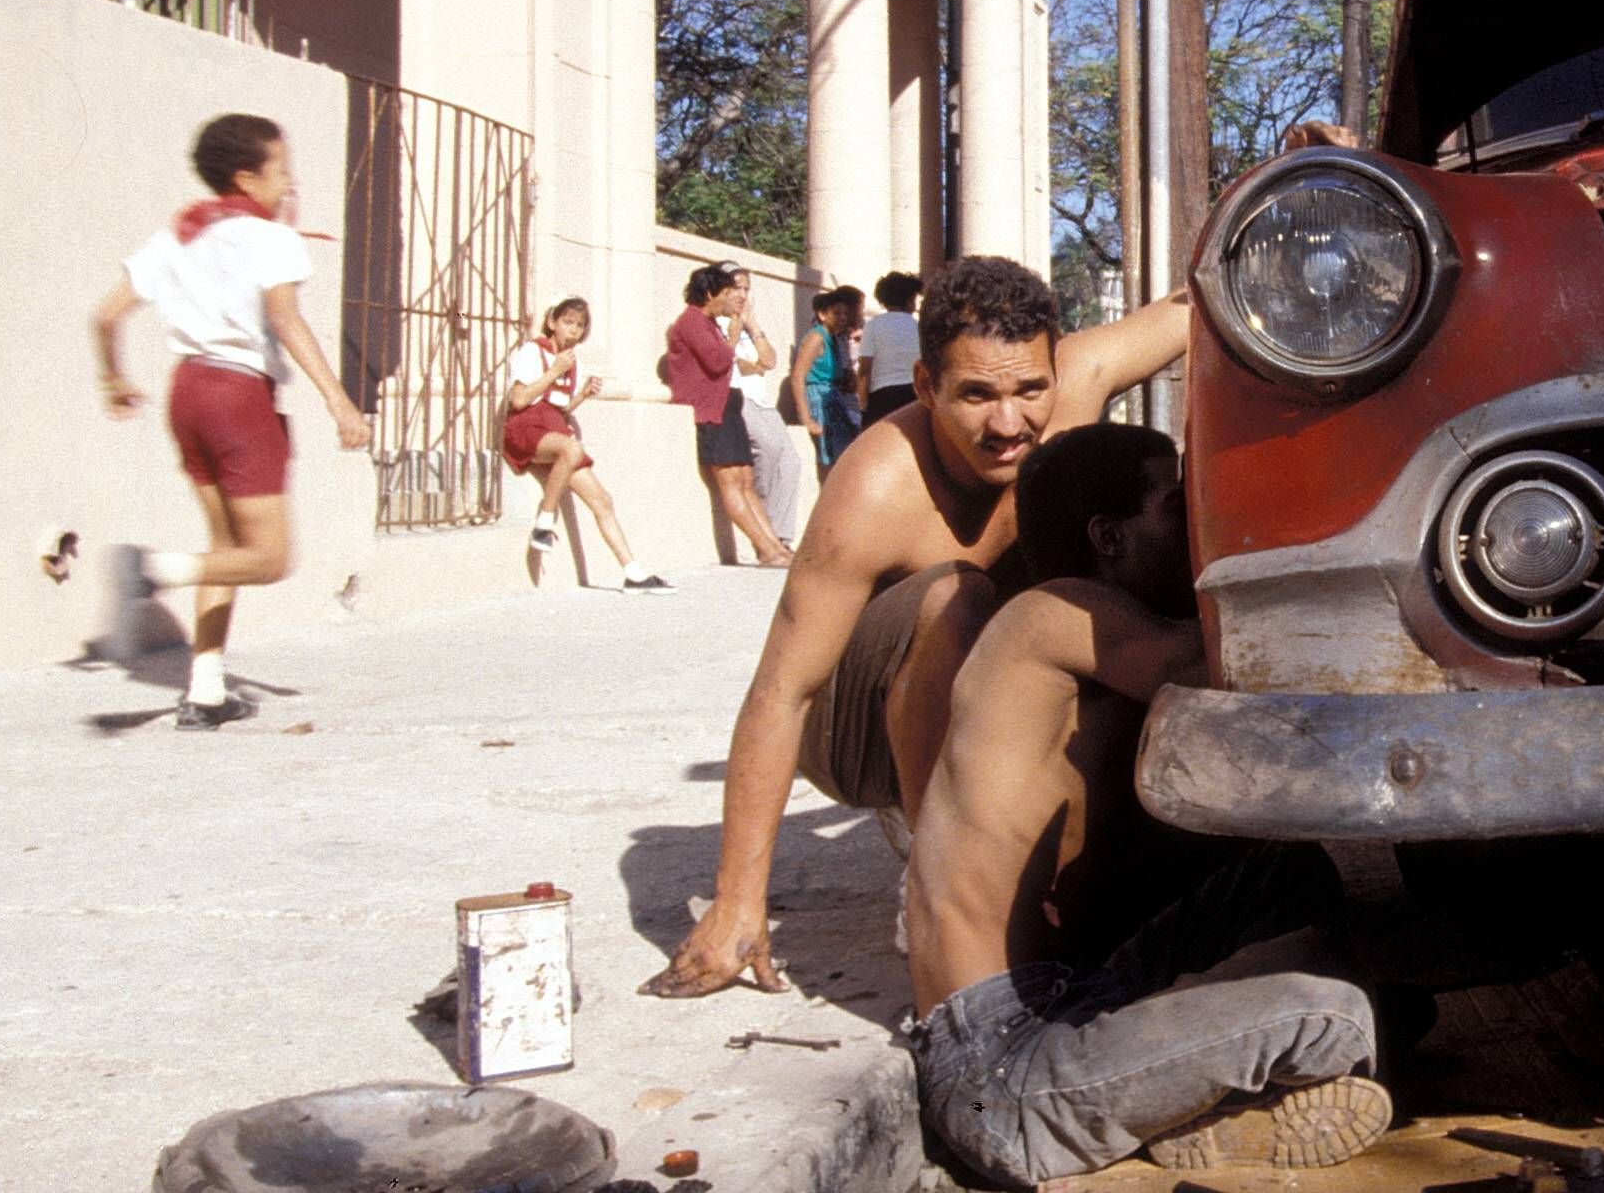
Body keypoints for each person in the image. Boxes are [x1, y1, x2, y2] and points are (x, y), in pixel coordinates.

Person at [644, 253, 1189, 997]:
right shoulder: (873, 489)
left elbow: (1202, 301)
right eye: (974, 396)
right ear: (926, 385)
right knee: (956, 595)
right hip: (859, 724)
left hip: (994, 696)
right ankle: (942, 900)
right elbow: (783, 691)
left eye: (1030, 389)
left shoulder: (1078, 376)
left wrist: (1318, 169)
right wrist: (738, 902)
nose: (1008, 422)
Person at [904, 423, 1389, 1183]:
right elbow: (1214, 660)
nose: (1196, 527)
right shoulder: (1050, 615)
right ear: (1108, 535)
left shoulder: (1102, 664)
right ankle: (1203, 1102)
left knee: (1283, 877)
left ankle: (1192, 1085)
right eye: (1175, 505)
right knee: (1335, 1012)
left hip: (1070, 996)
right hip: (996, 1074)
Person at [93, 112, 374, 727]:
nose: (290, 185)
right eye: (283, 171)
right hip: (239, 398)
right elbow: (286, 320)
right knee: (271, 558)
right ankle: (150, 570)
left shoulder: (183, 231)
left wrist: (114, 379)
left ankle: (206, 689)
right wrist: (339, 401)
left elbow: (107, 315)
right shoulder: (271, 238)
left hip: (187, 392)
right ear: (246, 176)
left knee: (225, 548)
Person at [502, 298, 673, 593]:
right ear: (552, 322)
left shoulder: (569, 360)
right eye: (568, 323)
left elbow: (560, 408)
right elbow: (519, 400)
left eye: (580, 326)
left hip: (552, 431)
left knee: (602, 500)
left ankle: (633, 573)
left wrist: (581, 394)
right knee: (571, 448)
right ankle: (544, 522)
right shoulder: (534, 351)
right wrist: (554, 371)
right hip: (525, 429)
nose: (573, 331)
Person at [664, 264, 793, 566]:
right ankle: (765, 548)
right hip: (711, 410)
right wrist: (734, 337)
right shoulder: (691, 321)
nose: (732, 298)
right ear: (709, 294)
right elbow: (717, 362)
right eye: (725, 292)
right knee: (731, 481)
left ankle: (774, 546)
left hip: (728, 404)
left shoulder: (709, 323)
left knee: (746, 478)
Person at [725, 280, 808, 548]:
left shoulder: (748, 328)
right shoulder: (719, 324)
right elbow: (736, 363)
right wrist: (750, 360)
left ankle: (781, 536)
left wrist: (753, 326)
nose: (742, 294)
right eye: (736, 287)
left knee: (791, 463)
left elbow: (769, 361)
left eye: (746, 289)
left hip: (762, 402)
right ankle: (768, 534)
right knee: (769, 452)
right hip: (739, 398)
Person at [787, 285, 865, 477]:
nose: (843, 318)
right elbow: (797, 376)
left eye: (845, 314)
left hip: (834, 396)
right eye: (837, 313)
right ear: (823, 315)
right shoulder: (816, 337)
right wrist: (806, 418)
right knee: (830, 455)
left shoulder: (834, 339)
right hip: (819, 398)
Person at [858, 271, 923, 423]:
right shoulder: (919, 327)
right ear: (910, 300)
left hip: (882, 395)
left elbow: (865, 369)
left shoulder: (873, 325)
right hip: (914, 393)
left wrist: (862, 403)